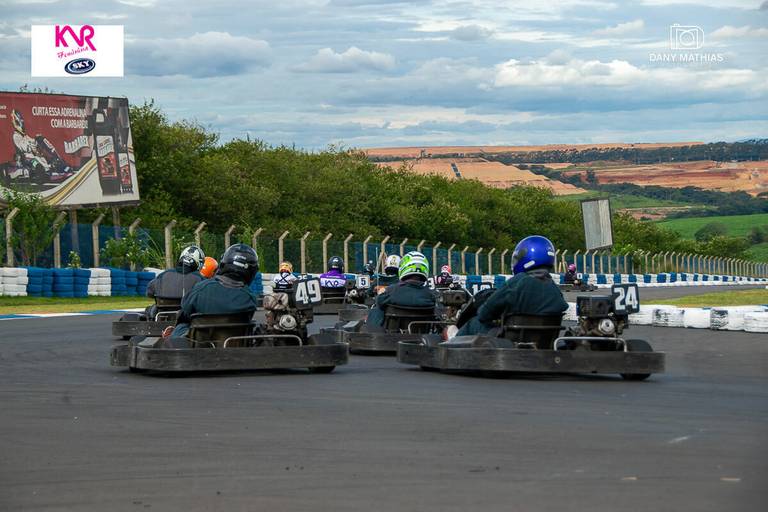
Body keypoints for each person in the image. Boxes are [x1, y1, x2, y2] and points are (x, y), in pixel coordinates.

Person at [456, 236, 568, 336]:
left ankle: (451, 345)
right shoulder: (555, 290)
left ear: (526, 258)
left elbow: (484, 314)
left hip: (510, 343)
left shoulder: (517, 283)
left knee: (473, 323)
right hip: (545, 344)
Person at [170, 244, 260, 338]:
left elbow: (185, 312)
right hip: (232, 343)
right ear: (252, 272)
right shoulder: (250, 299)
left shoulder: (201, 288)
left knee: (181, 326)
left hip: (199, 342)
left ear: (223, 263)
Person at [366, 251, 438, 327]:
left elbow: (379, 302)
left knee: (376, 309)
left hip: (392, 333)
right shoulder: (430, 296)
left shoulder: (390, 291)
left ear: (404, 267)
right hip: (423, 333)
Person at [145, 245, 205, 318]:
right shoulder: (200, 279)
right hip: (188, 318)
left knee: (150, 309)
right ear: (199, 263)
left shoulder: (163, 275)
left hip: (163, 315)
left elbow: (149, 293)